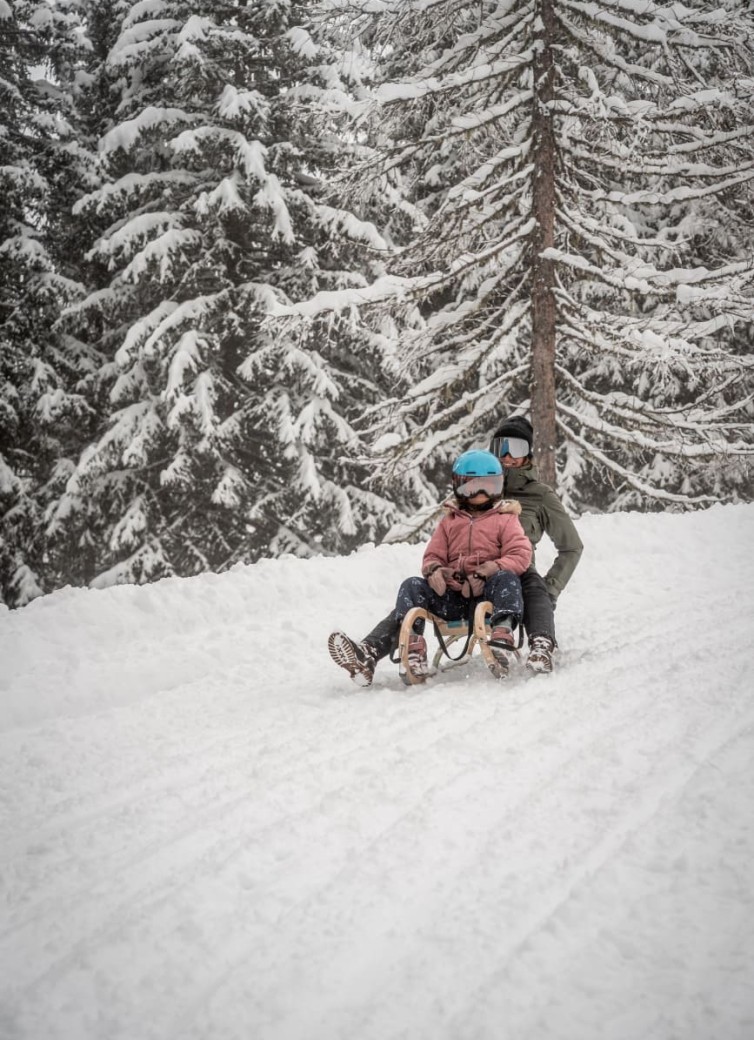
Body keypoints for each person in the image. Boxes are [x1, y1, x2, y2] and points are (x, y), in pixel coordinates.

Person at [328, 450, 532, 686]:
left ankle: (502, 636)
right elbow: (433, 555)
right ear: (458, 486)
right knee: (412, 587)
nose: (480, 494)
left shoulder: (506, 519)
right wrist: (435, 570)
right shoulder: (450, 521)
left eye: (488, 487)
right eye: (472, 487)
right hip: (452, 598)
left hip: (489, 598)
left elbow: (520, 554)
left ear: (499, 486)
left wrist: (491, 569)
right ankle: (409, 650)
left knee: (507, 579)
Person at [489, 415, 583, 673]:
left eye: (516, 448)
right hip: (482, 573)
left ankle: (541, 644)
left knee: (535, 588)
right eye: (501, 447)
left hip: (520, 574)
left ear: (528, 454)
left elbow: (572, 547)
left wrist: (551, 587)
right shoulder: (480, 488)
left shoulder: (540, 495)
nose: (507, 456)